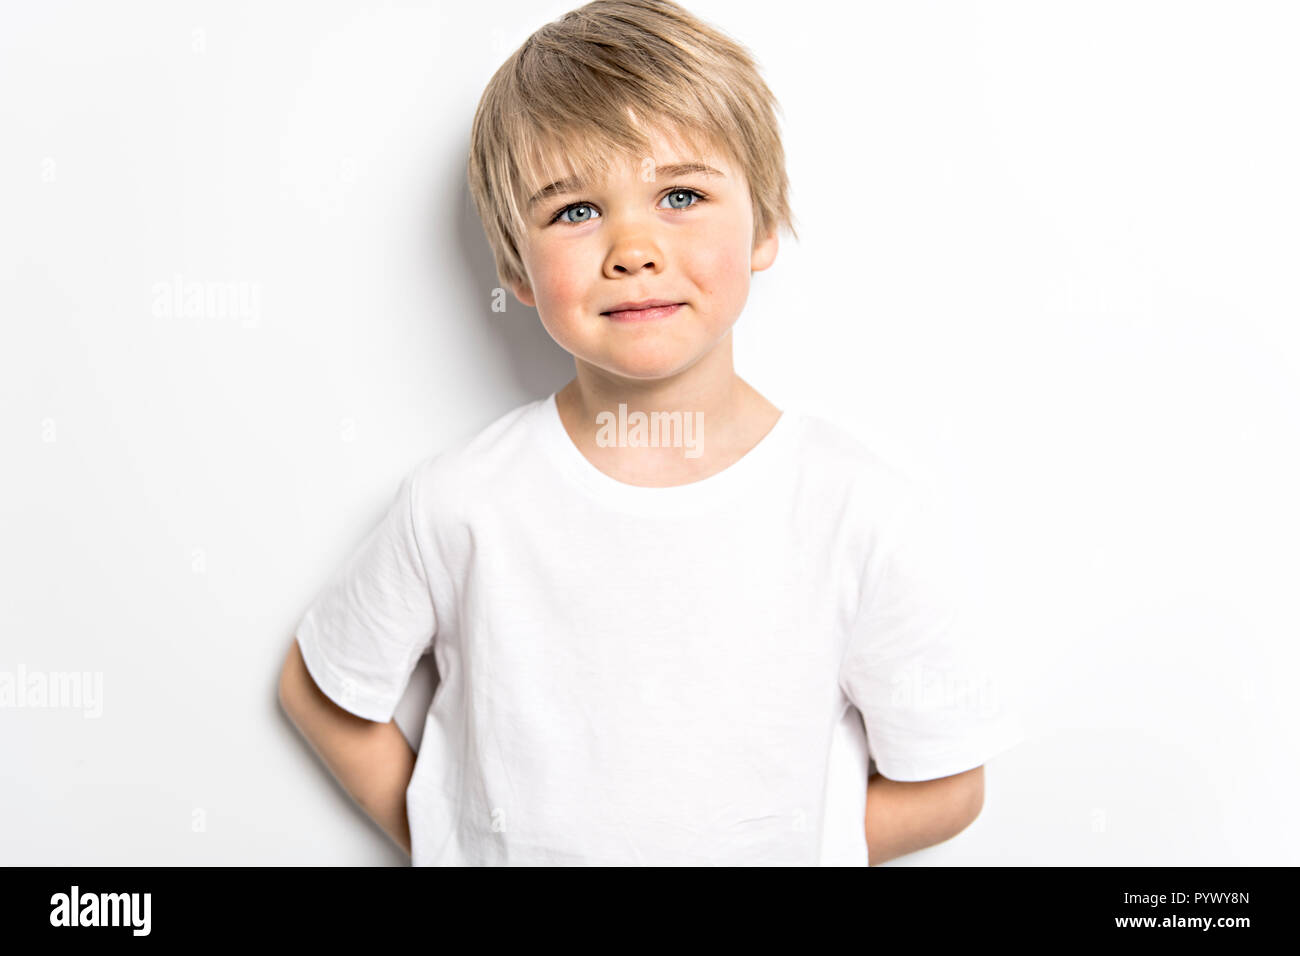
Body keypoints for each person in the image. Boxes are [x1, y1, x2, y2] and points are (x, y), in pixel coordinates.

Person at [278, 0, 1023, 866]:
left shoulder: (857, 513)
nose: (632, 247)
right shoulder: (462, 502)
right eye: (574, 211)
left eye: (680, 195)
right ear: (516, 269)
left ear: (765, 226)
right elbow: (320, 689)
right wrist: (456, 841)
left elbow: (946, 782)